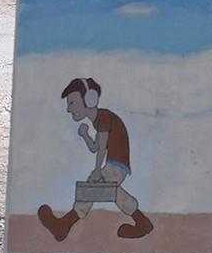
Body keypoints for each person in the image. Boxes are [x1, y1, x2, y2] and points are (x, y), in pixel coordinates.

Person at [37, 78, 153, 241]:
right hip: (115, 164)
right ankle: (142, 222)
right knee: (111, 192)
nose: (69, 109)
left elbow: (101, 149)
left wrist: (97, 170)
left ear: (89, 99)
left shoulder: (104, 117)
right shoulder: (99, 121)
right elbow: (95, 148)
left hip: (116, 164)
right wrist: (85, 136)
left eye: (72, 103)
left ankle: (64, 225)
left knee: (93, 188)